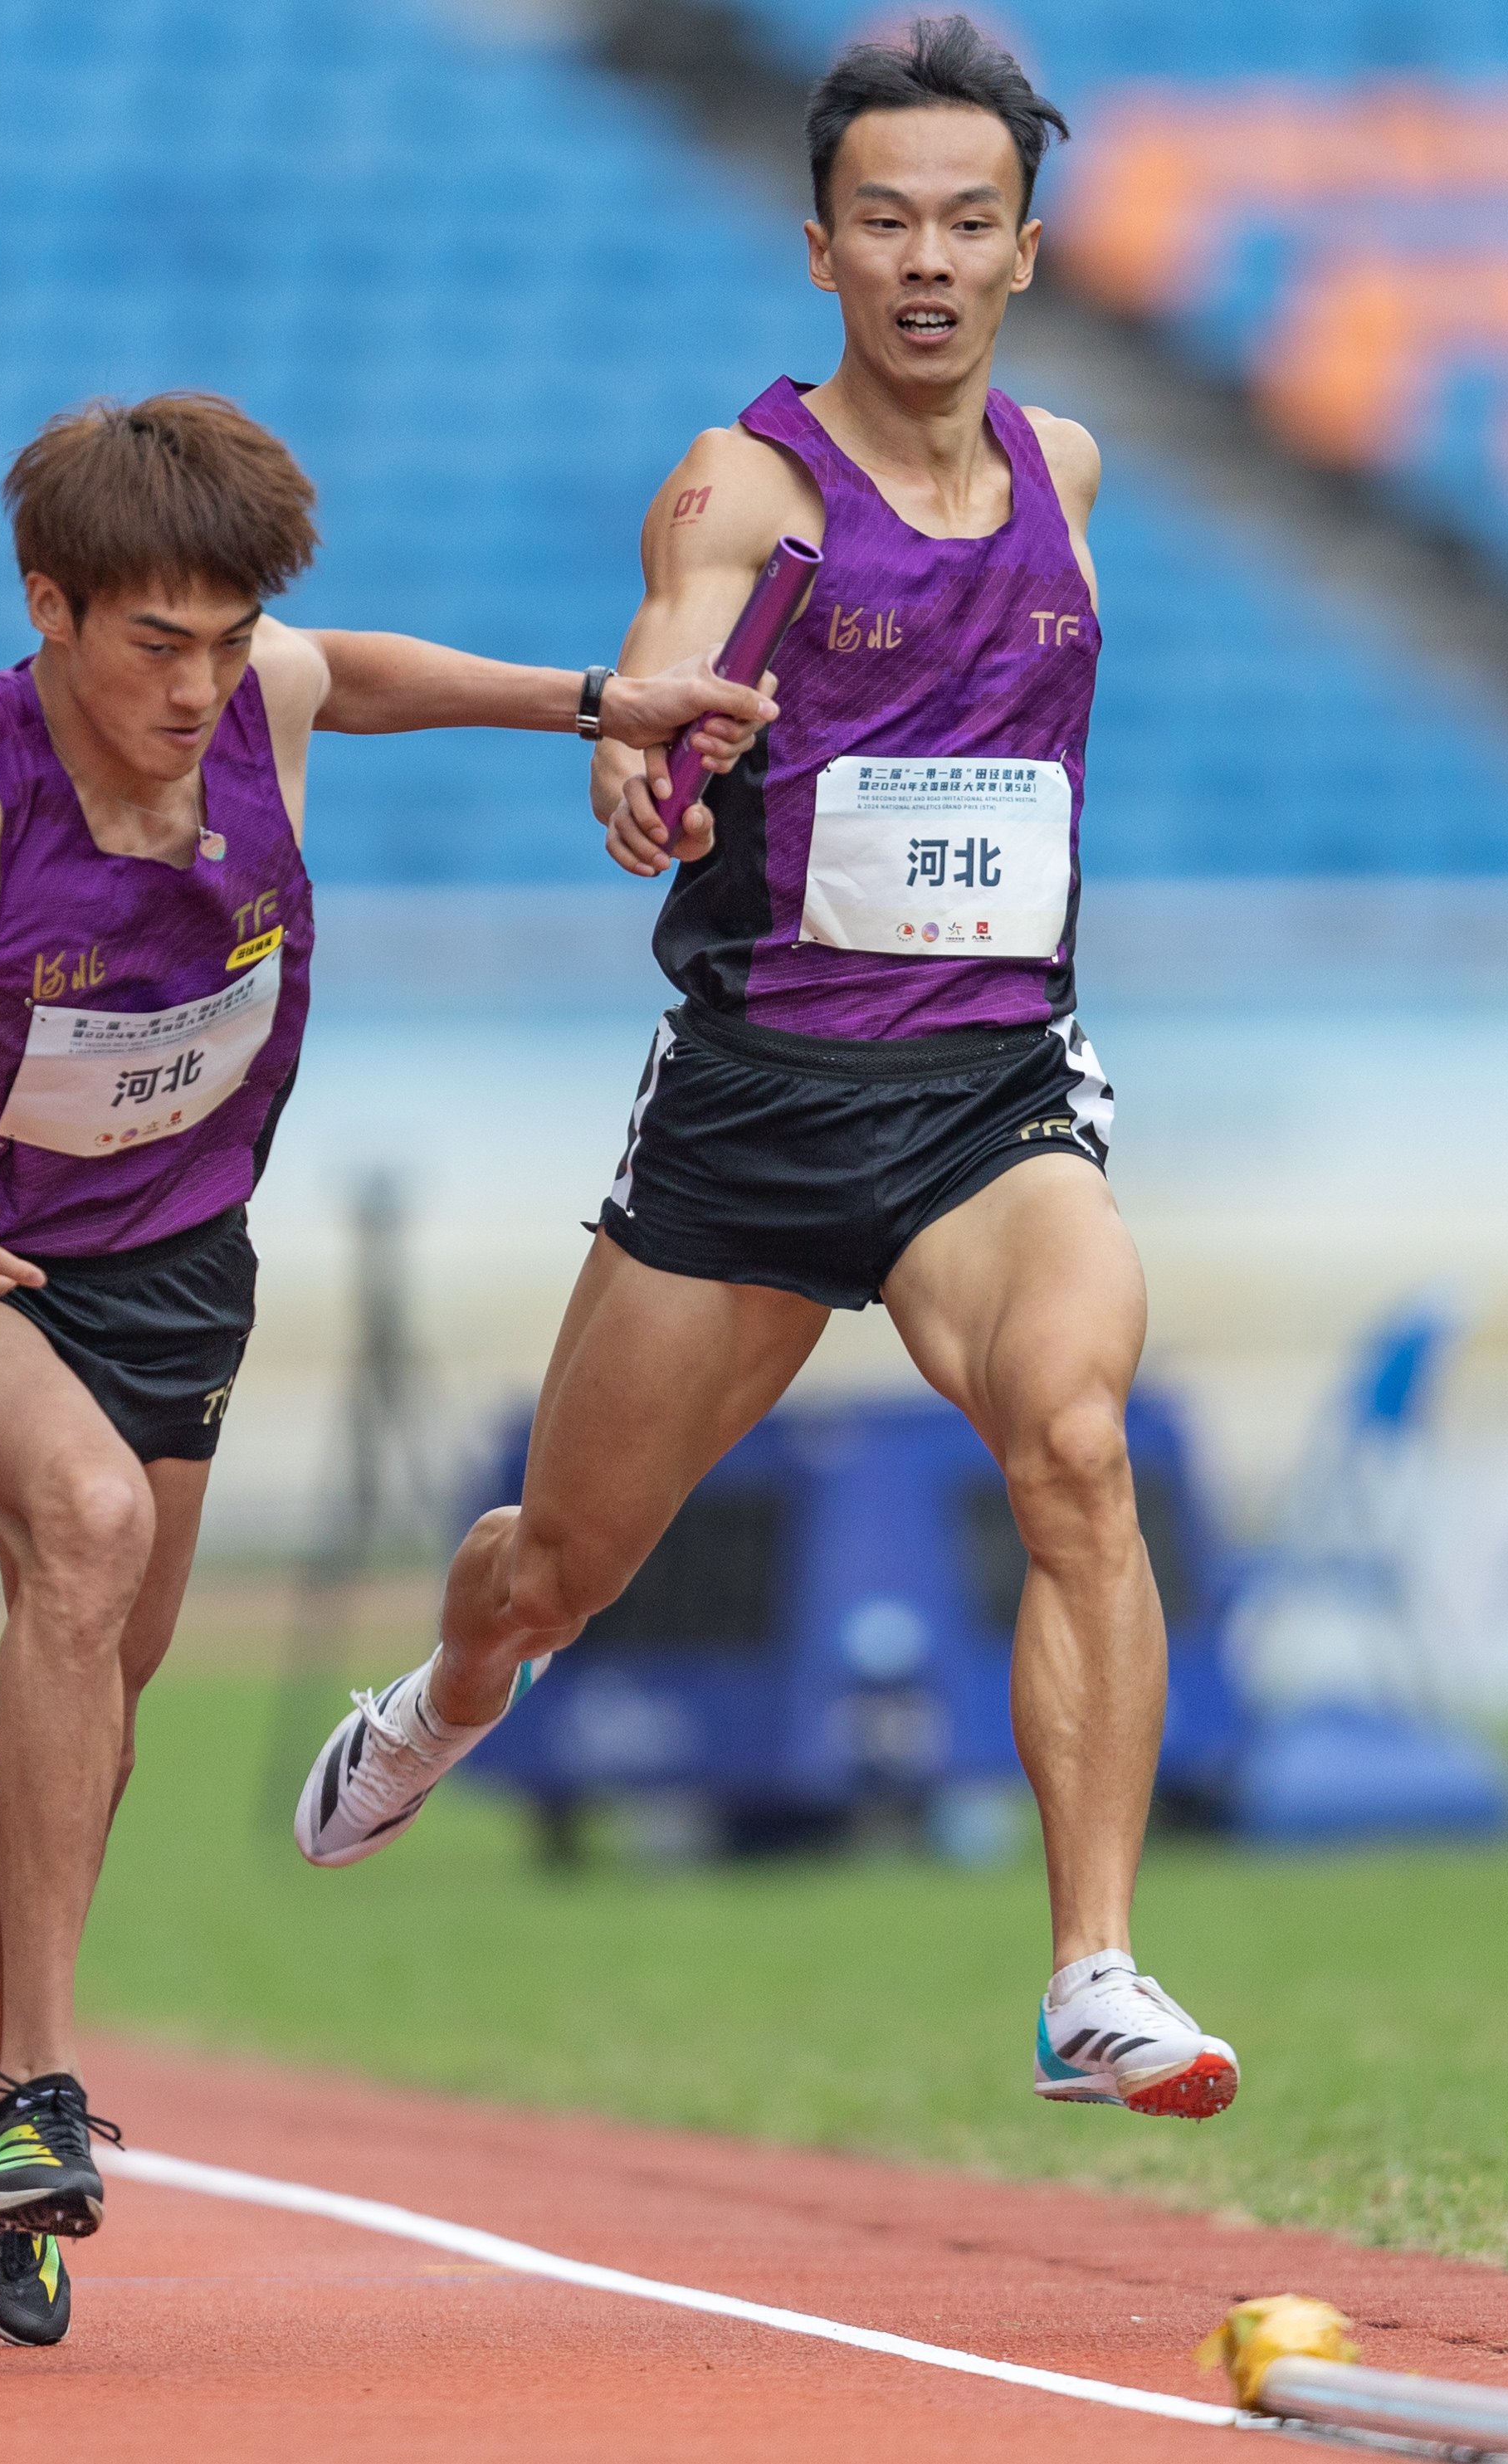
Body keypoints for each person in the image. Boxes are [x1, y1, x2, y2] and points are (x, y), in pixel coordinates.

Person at [0, 392, 770, 2347]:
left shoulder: (254, 691)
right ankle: (42, 2091)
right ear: (49, 608)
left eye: (224, 639)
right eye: (153, 646)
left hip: (177, 1280)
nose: (202, 687)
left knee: (94, 1704)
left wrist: (590, 703)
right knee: (88, 1525)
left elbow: (344, 671)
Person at [288, 16, 1239, 2127]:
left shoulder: (1066, 471)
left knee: (1074, 1444)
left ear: (1023, 249)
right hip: (757, 1099)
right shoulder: (747, 481)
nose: (925, 259)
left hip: (993, 1091)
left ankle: (1091, 1970)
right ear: (820, 247)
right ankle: (446, 1698)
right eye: (884, 221)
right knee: (564, 1569)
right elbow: (674, 639)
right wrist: (639, 745)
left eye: (967, 224)